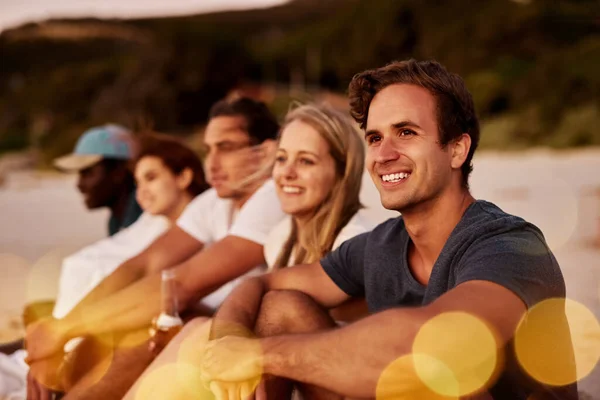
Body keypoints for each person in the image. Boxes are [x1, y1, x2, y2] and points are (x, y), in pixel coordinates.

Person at [199, 60, 578, 399]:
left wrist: (260, 355)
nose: (383, 154)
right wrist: (230, 338)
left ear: (457, 150)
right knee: (280, 309)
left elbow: (437, 344)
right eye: (376, 138)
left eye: (407, 133)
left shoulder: (509, 247)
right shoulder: (379, 245)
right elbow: (265, 285)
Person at [25, 97, 286, 400]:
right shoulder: (216, 202)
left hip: (252, 338)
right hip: (213, 329)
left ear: (265, 151)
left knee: (150, 323)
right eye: (208, 149)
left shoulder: (272, 197)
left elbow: (183, 284)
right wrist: (58, 332)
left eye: (225, 147)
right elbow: (143, 265)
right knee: (119, 321)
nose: (211, 162)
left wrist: (62, 331)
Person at [122, 102, 376, 399]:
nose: (288, 173)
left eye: (306, 161)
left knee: (262, 316)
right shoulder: (281, 238)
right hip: (294, 379)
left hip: (347, 387)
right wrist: (195, 320)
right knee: (195, 325)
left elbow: (289, 319)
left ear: (342, 171)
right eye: (282, 159)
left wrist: (226, 343)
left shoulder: (356, 240)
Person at [52, 132, 210, 319]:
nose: (141, 192)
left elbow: (144, 267)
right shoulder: (145, 221)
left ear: (184, 177)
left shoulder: (207, 217)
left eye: (151, 178)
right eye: (138, 182)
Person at [53, 124, 143, 236]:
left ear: (118, 172)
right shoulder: (116, 220)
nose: (79, 185)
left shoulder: (144, 220)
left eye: (88, 173)